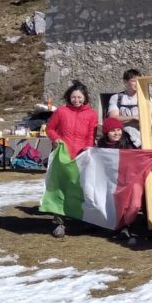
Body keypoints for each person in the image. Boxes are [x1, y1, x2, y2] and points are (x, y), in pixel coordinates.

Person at [44, 80, 99, 238]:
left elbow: (91, 134)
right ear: (69, 97)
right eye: (74, 97)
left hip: (81, 156)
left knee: (82, 188)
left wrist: (88, 149)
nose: (77, 100)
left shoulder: (91, 114)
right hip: (63, 155)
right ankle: (60, 222)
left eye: (79, 97)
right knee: (61, 188)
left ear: (85, 97)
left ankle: (85, 220)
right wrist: (56, 139)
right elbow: (50, 128)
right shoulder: (61, 111)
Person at [107, 68, 144, 147]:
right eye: (134, 81)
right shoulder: (116, 98)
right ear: (125, 82)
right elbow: (113, 118)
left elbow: (147, 120)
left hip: (141, 139)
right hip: (122, 140)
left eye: (139, 80)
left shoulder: (145, 98)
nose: (137, 83)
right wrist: (134, 117)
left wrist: (124, 119)